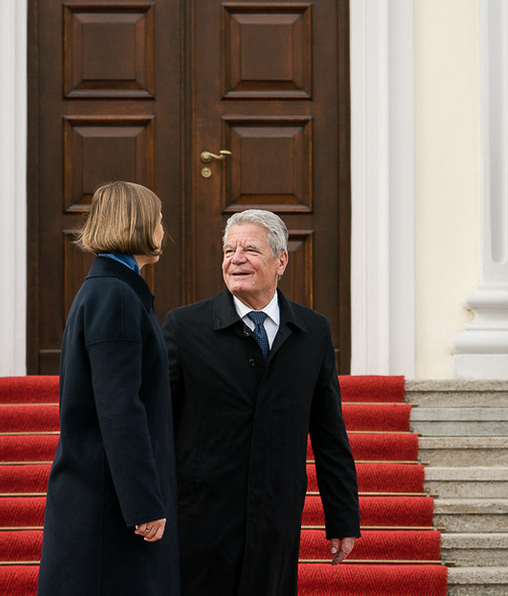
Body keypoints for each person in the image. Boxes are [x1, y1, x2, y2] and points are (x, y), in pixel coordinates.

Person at [162, 209, 360, 596]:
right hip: (201, 515)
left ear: (280, 260)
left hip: (276, 515)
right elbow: (158, 424)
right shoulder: (183, 328)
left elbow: (328, 432)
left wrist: (342, 517)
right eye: (229, 249)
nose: (235, 258)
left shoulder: (313, 331)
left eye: (250, 249)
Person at [36, 181, 179, 596]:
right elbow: (119, 407)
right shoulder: (115, 295)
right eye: (158, 219)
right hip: (108, 508)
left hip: (104, 500)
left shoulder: (111, 290)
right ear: (135, 223)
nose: (162, 230)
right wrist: (144, 503)